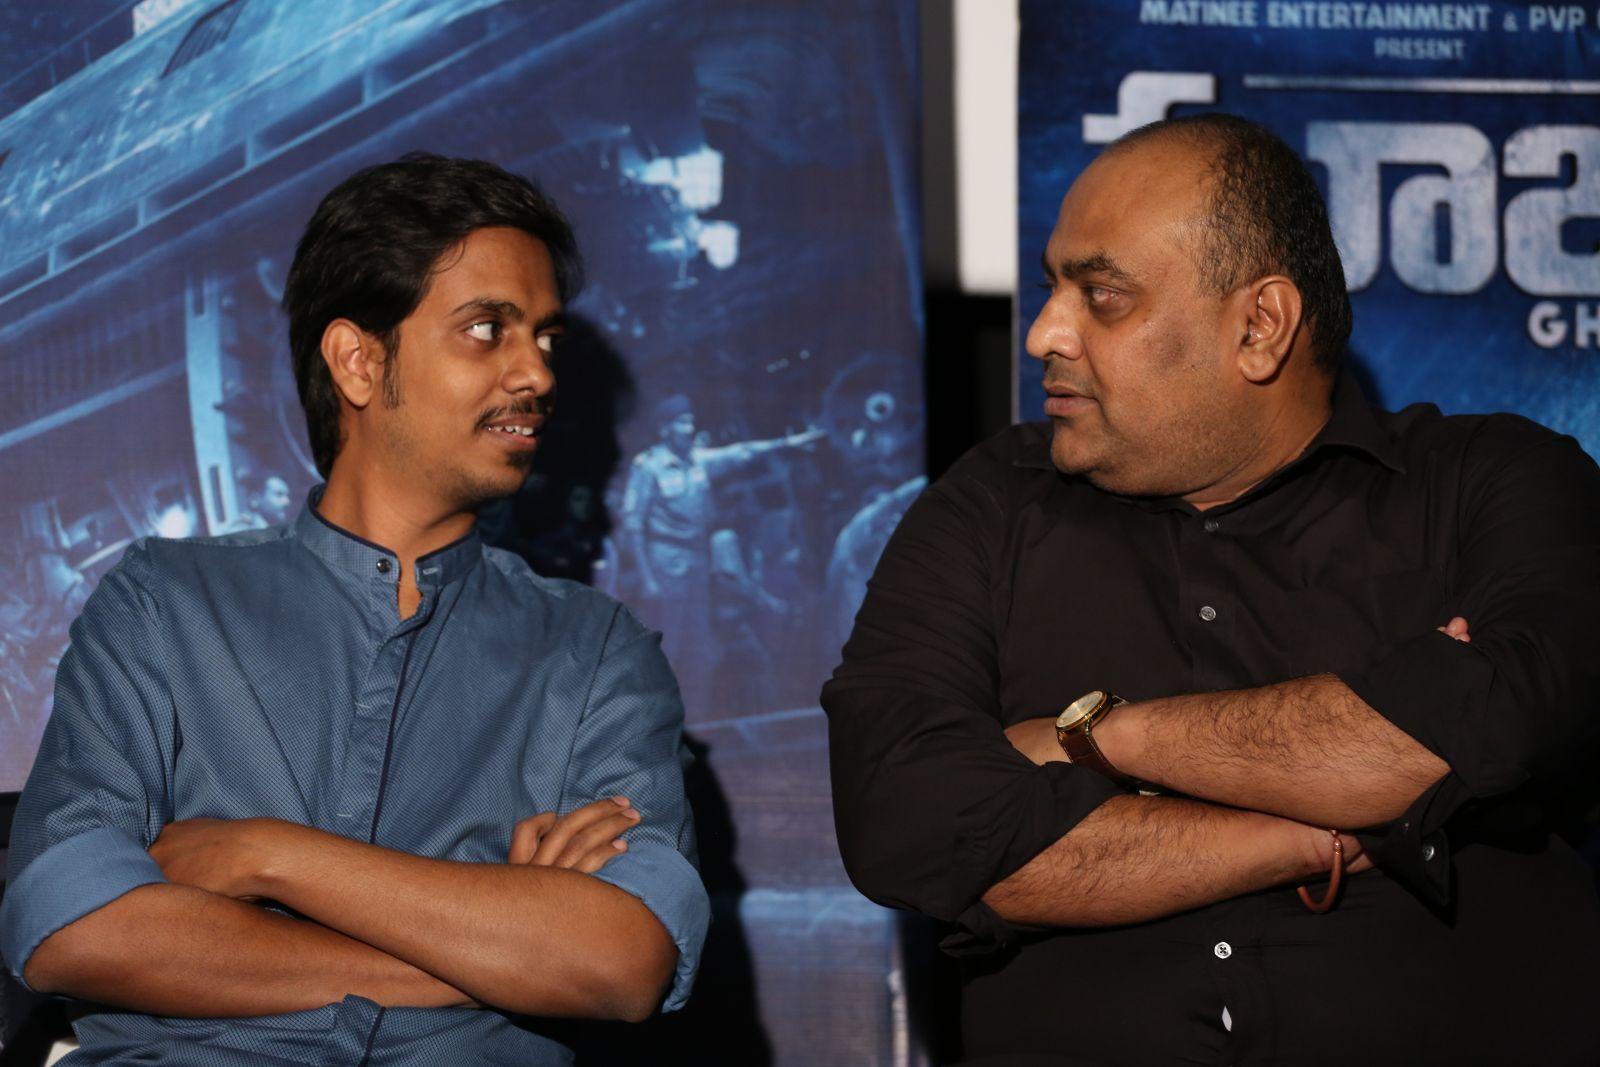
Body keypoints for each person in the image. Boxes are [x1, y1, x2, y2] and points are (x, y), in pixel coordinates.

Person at [824, 114, 1600, 1066]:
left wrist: (1100, 737)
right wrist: (1313, 828)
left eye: (1102, 296)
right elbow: (907, 821)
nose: (1043, 333)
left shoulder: (1495, 482)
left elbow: (1501, 722)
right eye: (1052, 287)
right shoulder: (990, 505)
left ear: (1259, 326)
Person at [0, 154, 709, 1065]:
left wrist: (264, 853)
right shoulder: (164, 601)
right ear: (359, 361)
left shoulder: (598, 652)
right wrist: (500, 942)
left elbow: (621, 959)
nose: (536, 370)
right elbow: (67, 921)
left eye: (545, 337)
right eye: (487, 329)